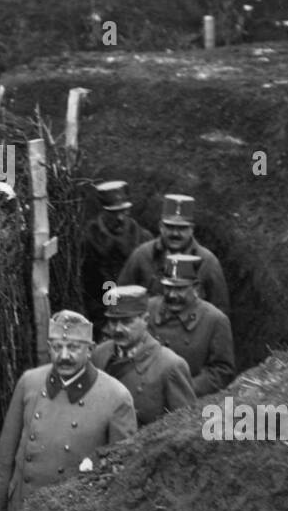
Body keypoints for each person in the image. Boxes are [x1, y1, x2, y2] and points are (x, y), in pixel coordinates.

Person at [0, 310, 136, 511]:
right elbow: (6, 449)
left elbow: (122, 472)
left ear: (90, 350)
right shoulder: (30, 382)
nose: (64, 356)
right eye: (57, 347)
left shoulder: (116, 397)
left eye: (73, 347)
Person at [91, 285, 196, 425]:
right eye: (113, 321)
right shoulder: (99, 354)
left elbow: (184, 427)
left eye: (127, 322)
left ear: (145, 320)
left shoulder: (170, 365)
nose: (118, 329)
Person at [117, 194, 230, 316]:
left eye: (182, 228)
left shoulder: (208, 262)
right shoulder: (142, 255)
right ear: (161, 226)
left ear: (191, 229)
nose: (175, 233)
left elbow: (220, 310)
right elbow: (121, 296)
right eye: (170, 227)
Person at [147, 254, 237, 396]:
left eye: (179, 289)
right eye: (168, 288)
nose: (172, 295)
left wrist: (186, 390)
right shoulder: (148, 309)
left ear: (195, 288)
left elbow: (221, 371)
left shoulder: (215, 320)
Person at [81, 180, 153, 340]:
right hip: (101, 318)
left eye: (124, 211)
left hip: (137, 317)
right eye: (113, 213)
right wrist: (100, 323)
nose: (120, 218)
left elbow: (151, 284)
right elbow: (86, 288)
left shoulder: (143, 239)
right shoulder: (88, 240)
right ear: (103, 212)